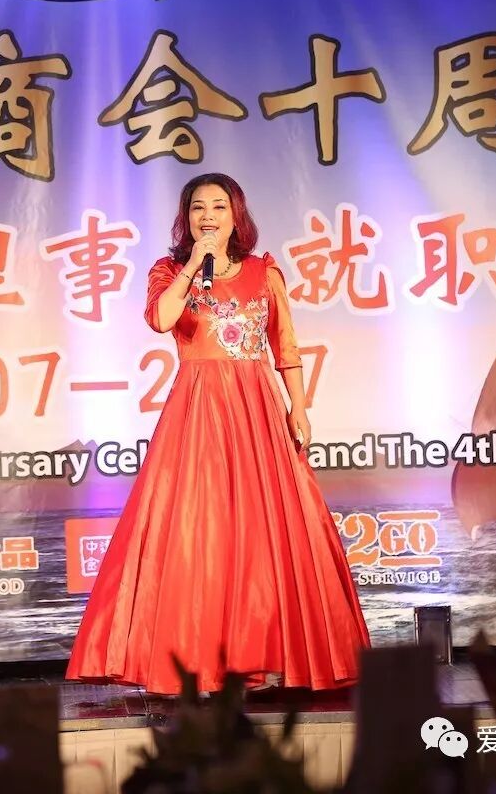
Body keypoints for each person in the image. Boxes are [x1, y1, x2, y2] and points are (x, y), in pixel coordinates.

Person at [66, 172, 371, 695]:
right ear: (185, 219)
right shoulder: (169, 271)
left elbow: (285, 347)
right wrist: (192, 267)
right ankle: (194, 661)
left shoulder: (262, 272)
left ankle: (262, 657)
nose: (208, 216)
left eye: (219, 207)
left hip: (256, 408)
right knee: (197, 531)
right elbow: (161, 320)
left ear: (236, 216)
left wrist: (298, 407)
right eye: (198, 208)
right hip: (198, 409)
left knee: (263, 529)